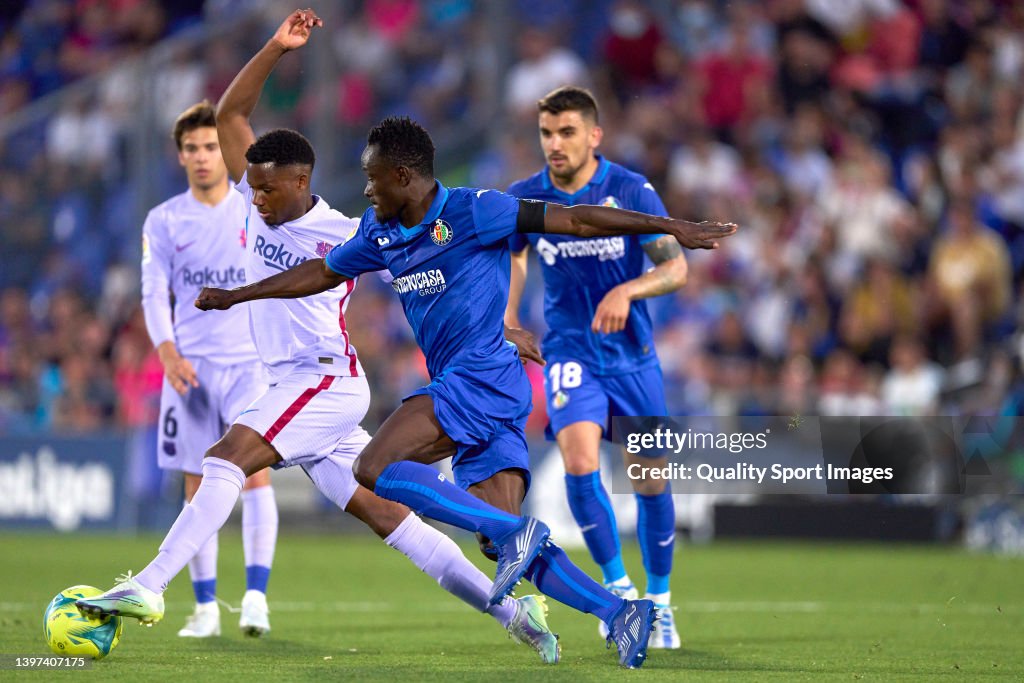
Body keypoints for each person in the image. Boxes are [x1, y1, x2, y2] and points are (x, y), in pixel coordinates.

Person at [179, 12, 736, 669]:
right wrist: (239, 295)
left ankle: (516, 531)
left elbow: (578, 219)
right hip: (485, 392)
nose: (365, 188)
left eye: (373, 177)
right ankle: (620, 612)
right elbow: (317, 272)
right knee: (508, 552)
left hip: (480, 381)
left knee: (374, 469)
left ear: (406, 178)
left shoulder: (477, 210)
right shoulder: (380, 233)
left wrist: (672, 226)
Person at [78, 9, 560, 664]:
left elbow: (447, 263)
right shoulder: (258, 197)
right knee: (390, 518)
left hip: (321, 378)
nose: (251, 193)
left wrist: (501, 319)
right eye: (251, 182)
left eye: (265, 184)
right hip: (298, 385)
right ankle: (517, 612)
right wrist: (277, 46)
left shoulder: (338, 233)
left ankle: (147, 587)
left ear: (299, 182)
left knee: (224, 458)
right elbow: (228, 118)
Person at [504, 86, 684, 649]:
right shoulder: (527, 197)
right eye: (546, 134)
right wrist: (509, 316)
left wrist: (629, 291)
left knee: (650, 480)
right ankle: (621, 593)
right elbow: (514, 254)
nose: (554, 144)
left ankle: (660, 600)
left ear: (594, 136)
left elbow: (675, 267)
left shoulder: (630, 191)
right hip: (570, 351)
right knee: (580, 463)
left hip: (633, 357)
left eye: (566, 133)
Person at [141, 101, 277, 638]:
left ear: (226, 152)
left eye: (211, 146)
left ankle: (255, 599)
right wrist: (166, 351)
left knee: (253, 474)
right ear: (180, 156)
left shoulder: (252, 209)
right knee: (196, 484)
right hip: (191, 370)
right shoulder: (164, 220)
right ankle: (203, 609)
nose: (202, 156)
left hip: (248, 362)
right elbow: (154, 292)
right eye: (192, 148)